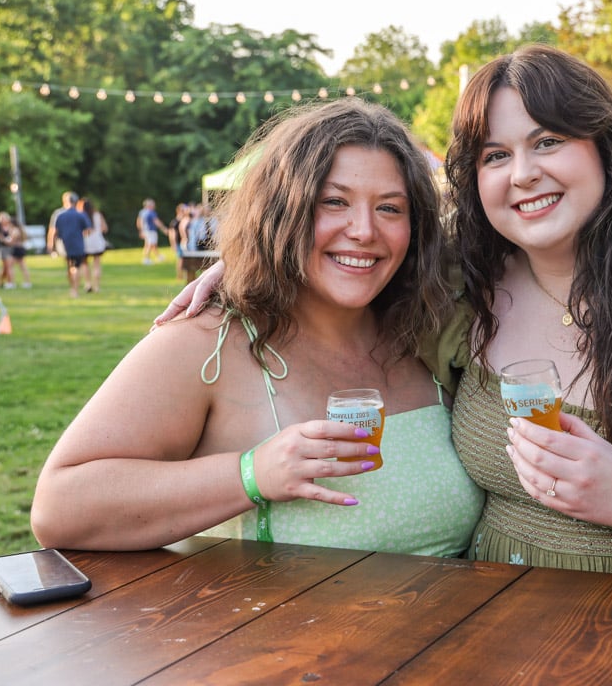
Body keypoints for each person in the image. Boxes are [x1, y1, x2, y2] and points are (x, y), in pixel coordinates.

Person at [161, 47, 612, 594]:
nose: (522, 174)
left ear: (604, 149)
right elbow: (356, 253)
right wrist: (257, 269)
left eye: (548, 142)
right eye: (495, 155)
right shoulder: (467, 286)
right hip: (482, 640)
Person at [31, 99, 484, 554]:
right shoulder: (207, 343)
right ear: (281, 211)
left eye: (390, 208)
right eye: (333, 201)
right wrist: (252, 474)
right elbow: (59, 507)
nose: (364, 230)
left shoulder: (429, 333)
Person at [52, 197, 91, 298]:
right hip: (77, 244)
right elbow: (88, 230)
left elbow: (55, 232)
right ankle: (75, 290)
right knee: (76, 267)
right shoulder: (80, 215)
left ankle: (72, 287)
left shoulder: (60, 216)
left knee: (69, 266)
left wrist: (52, 246)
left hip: (64, 244)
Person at [0, 212, 32, 289]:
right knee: (22, 267)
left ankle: (11, 283)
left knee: (10, 267)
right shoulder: (19, 230)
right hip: (20, 249)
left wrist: (2, 239)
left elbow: (11, 242)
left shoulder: (15, 230)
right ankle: (27, 282)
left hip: (16, 250)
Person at [80, 197, 108, 293]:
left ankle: (88, 284)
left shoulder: (80, 216)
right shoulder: (97, 215)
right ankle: (96, 286)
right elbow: (104, 228)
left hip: (85, 243)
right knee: (96, 265)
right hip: (97, 242)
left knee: (85, 265)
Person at [137, 198, 169, 264]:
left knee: (152, 244)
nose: (154, 206)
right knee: (150, 244)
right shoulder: (151, 212)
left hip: (145, 230)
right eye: (153, 204)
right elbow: (156, 222)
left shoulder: (142, 212)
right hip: (151, 230)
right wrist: (164, 229)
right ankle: (146, 259)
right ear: (149, 205)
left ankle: (158, 256)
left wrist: (141, 231)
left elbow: (138, 222)